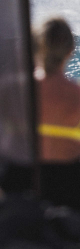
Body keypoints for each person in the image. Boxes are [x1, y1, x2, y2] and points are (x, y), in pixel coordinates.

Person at [34, 17, 80, 211]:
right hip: (70, 188)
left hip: (22, 182)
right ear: (70, 51)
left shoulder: (14, 93)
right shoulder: (76, 96)